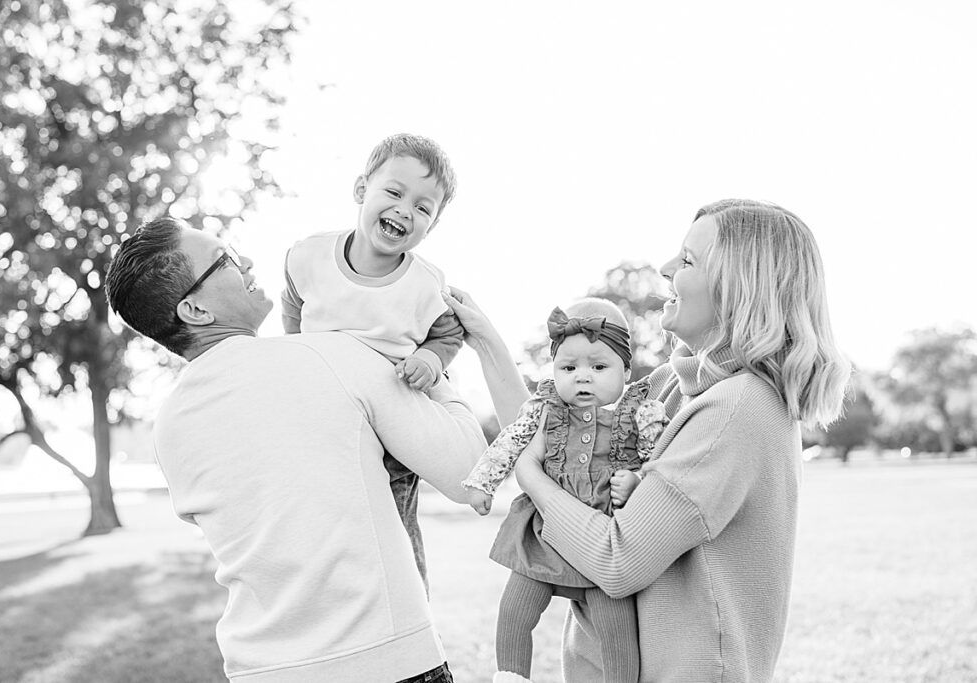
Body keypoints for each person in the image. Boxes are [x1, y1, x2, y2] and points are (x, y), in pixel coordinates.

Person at [445, 199, 851, 683]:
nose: (664, 269)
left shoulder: (738, 408)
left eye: (686, 261)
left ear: (736, 286)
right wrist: (487, 342)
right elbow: (553, 436)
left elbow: (619, 559)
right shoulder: (671, 387)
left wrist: (530, 479)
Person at [104, 216, 487, 683]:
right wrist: (433, 361)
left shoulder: (168, 428)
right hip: (385, 663)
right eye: (223, 260)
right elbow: (472, 474)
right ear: (195, 311)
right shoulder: (333, 356)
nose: (243, 261)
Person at [280, 133, 462, 586]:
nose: (405, 210)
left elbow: (448, 333)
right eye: (394, 193)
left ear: (432, 225)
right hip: (326, 421)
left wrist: (431, 359)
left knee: (395, 527)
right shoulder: (310, 256)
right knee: (324, 524)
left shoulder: (425, 285)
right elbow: (294, 302)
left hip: (392, 427)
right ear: (362, 190)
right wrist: (295, 348)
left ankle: (413, 612)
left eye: (423, 208)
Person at [461, 299, 668, 683]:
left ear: (626, 369)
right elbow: (510, 443)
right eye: (569, 368)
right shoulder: (544, 410)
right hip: (543, 533)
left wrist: (637, 481)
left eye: (599, 367)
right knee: (515, 610)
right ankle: (511, 676)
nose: (582, 377)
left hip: (602, 538)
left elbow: (660, 464)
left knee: (616, 626)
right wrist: (483, 481)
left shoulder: (641, 413)